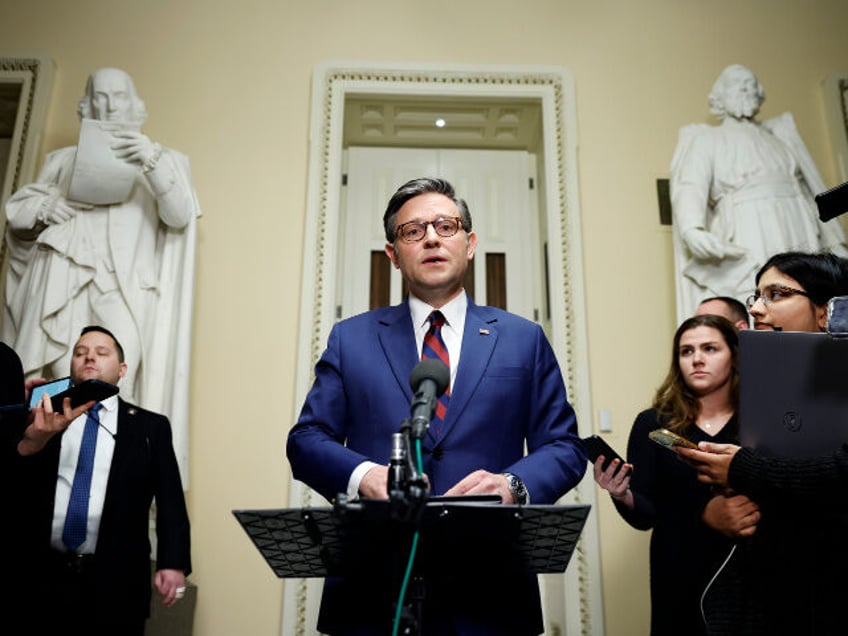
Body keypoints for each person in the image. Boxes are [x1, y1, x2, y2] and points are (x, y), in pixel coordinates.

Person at [286, 177, 586, 635]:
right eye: (413, 230)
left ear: (470, 244)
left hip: (491, 587)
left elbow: (564, 446)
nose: (431, 237)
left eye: (446, 226)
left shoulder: (523, 339)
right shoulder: (351, 339)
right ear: (393, 253)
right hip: (374, 585)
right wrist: (365, 476)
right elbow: (306, 441)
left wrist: (513, 484)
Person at [3, 67, 200, 480]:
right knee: (60, 385)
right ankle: (50, 488)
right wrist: (44, 209)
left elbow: (180, 215)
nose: (109, 107)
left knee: (117, 388)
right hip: (66, 285)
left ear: (137, 107)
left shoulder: (164, 159)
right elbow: (19, 217)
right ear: (86, 107)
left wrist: (151, 162)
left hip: (124, 289)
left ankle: (113, 491)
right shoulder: (61, 161)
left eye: (118, 98)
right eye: (100, 98)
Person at [677, 251, 848, 635]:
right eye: (756, 295)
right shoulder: (769, 384)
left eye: (776, 294)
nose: (756, 307)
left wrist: (741, 467)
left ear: (824, 311)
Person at [10, 325, 191, 635]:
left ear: (122, 369)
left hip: (117, 581)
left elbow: (170, 498)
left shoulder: (151, 427)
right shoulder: (42, 419)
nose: (89, 357)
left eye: (101, 352)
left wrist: (172, 562)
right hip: (41, 575)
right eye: (80, 353)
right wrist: (25, 424)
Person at [593, 314, 758, 635]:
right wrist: (621, 494)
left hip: (749, 569)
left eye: (710, 349)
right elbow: (645, 515)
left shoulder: (759, 419)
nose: (697, 359)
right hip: (678, 568)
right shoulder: (652, 424)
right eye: (686, 351)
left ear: (734, 356)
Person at [669, 64, 848, 323]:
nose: (746, 88)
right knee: (765, 293)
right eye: (737, 83)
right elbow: (690, 185)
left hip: (796, 219)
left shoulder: (778, 137)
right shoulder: (708, 140)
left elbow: (808, 188)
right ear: (720, 98)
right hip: (749, 223)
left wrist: (835, 241)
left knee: (805, 293)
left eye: (751, 83)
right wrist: (692, 228)